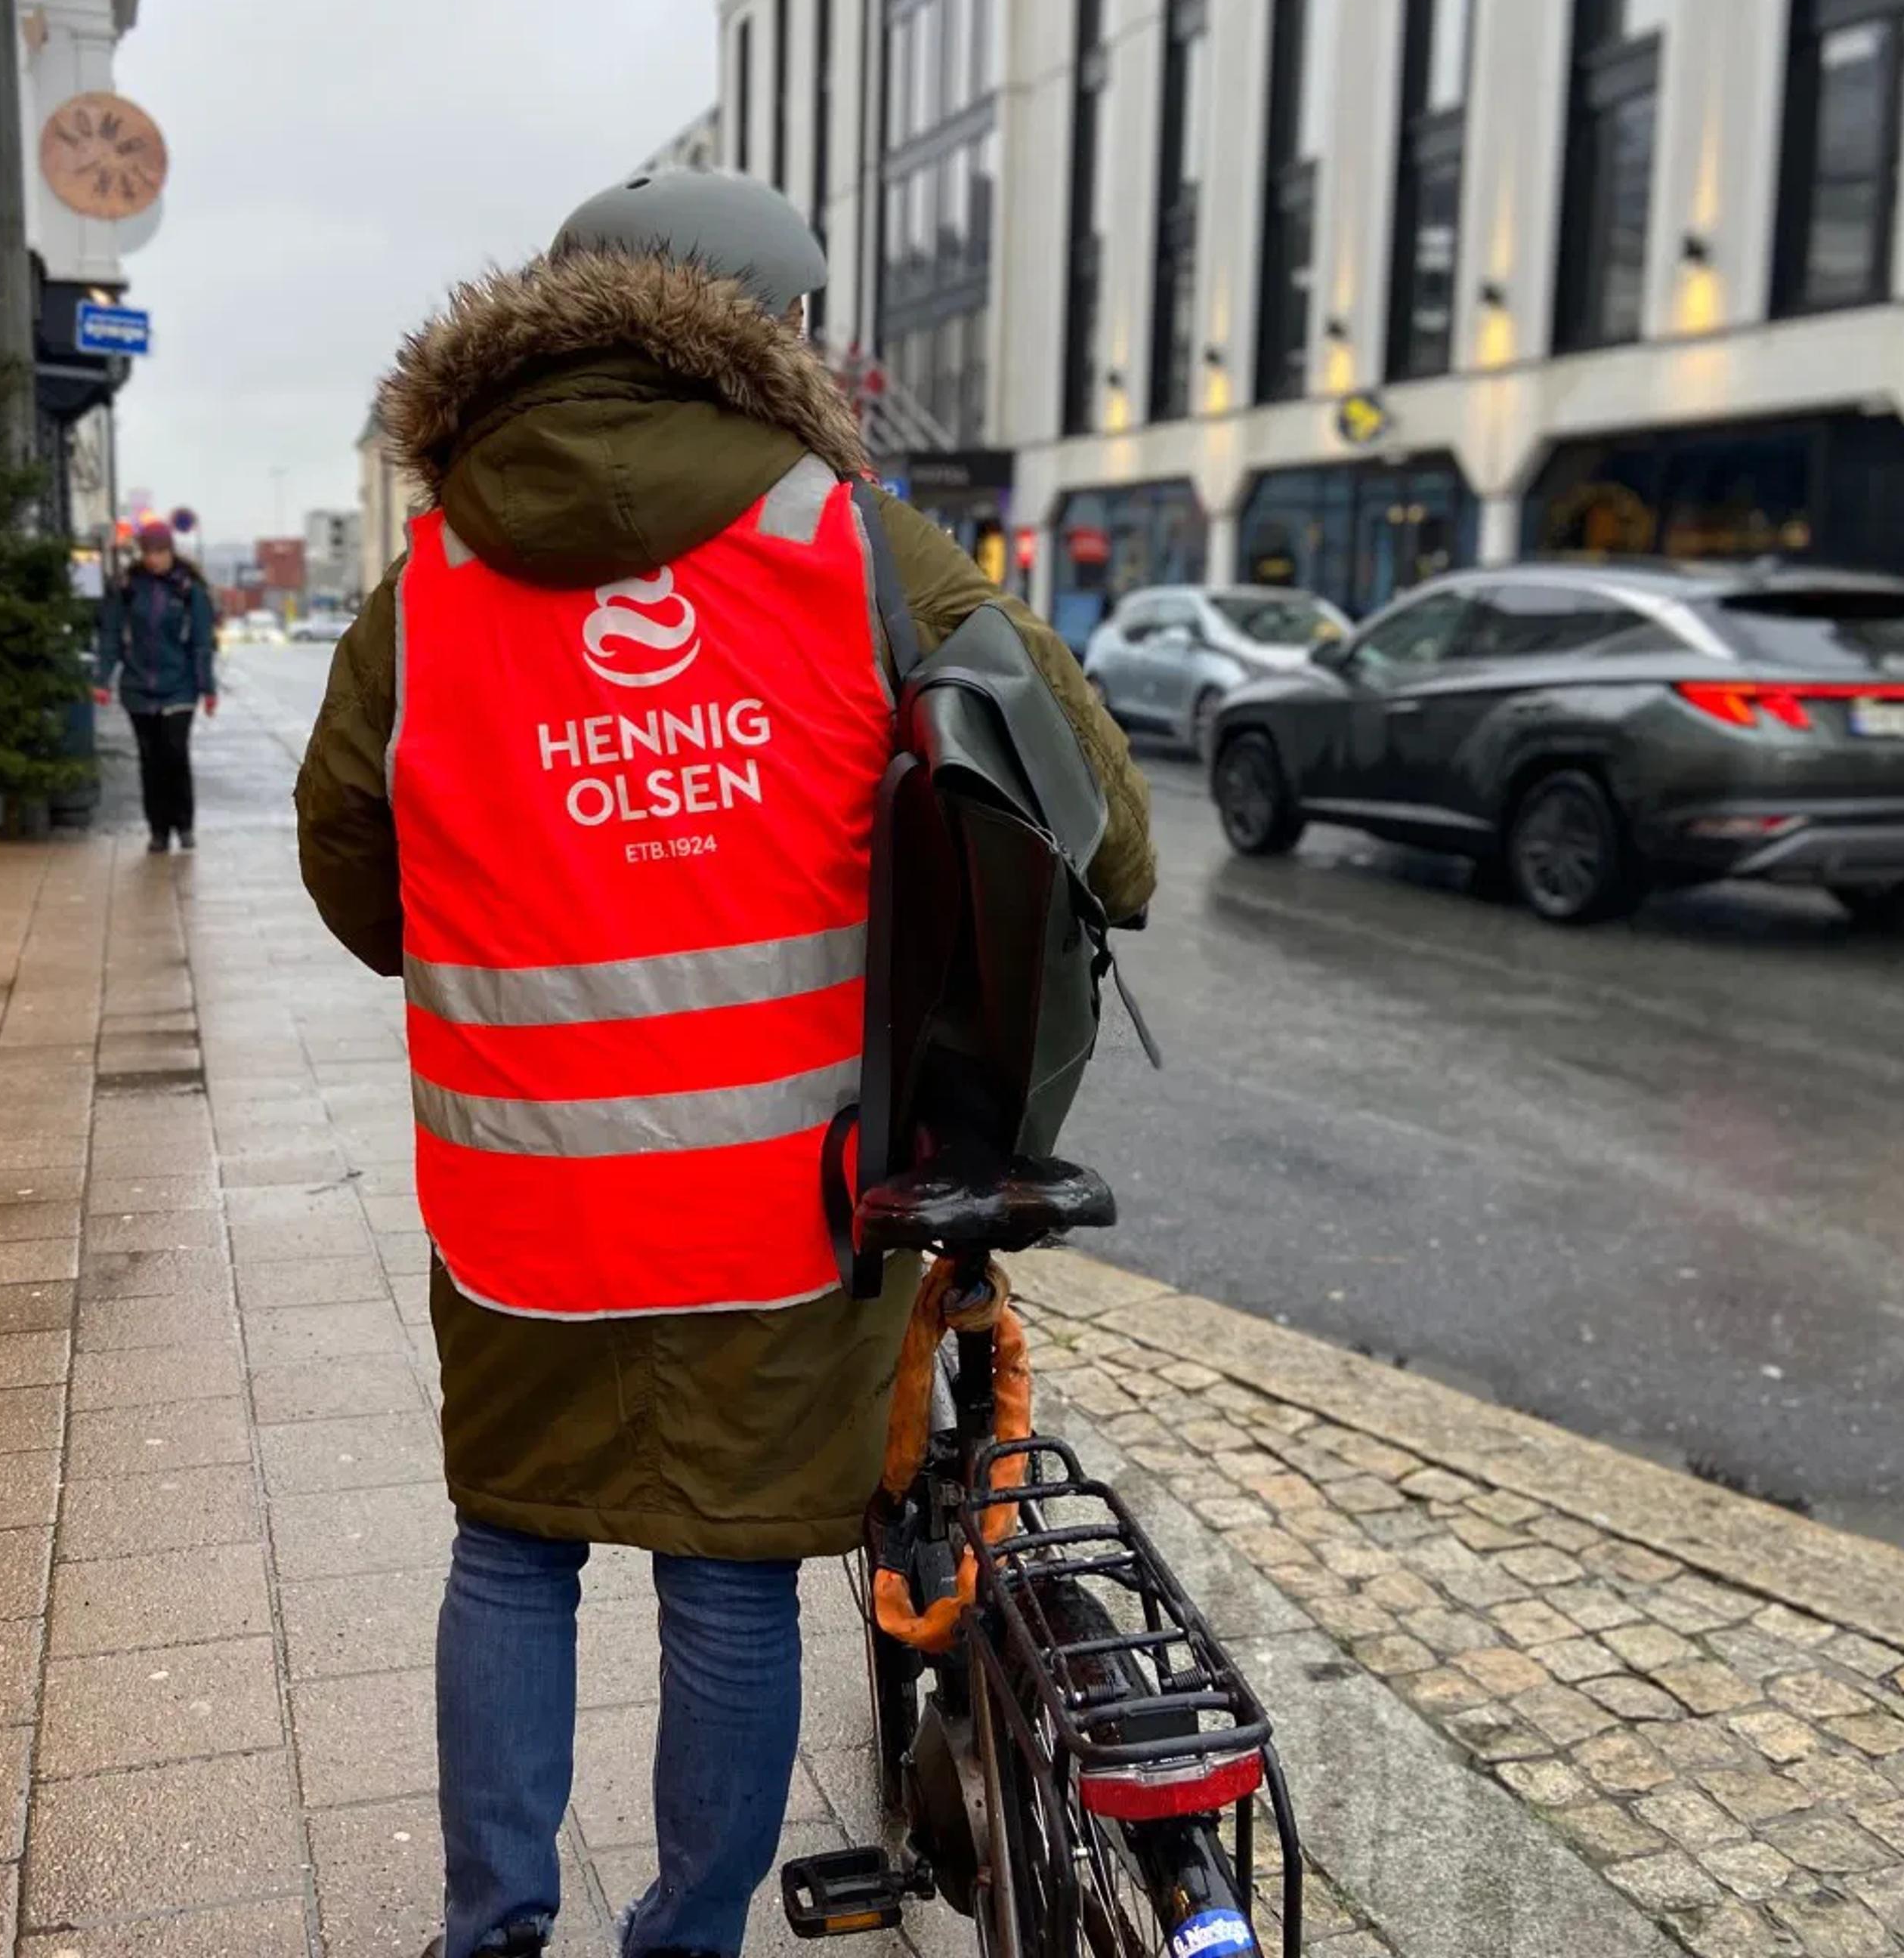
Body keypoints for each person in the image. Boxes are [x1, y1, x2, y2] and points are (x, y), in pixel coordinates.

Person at [298, 174, 1152, 1958]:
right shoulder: (857, 549)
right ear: (765, 334)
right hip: (783, 1199)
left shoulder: (426, 586)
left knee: (512, 1551)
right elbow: (1097, 828)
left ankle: (491, 1929)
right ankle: (686, 1936)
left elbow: (352, 872)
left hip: (519, 1197)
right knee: (730, 1578)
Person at [96, 513, 216, 853]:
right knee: (150, 761)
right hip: (138, 687)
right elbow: (111, 635)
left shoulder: (188, 589)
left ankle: (184, 824)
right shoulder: (128, 588)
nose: (154, 559)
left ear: (171, 551)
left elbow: (202, 642)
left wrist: (207, 688)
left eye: (160, 552)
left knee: (175, 754)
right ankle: (158, 830)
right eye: (148, 552)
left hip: (179, 687)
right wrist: (103, 679)